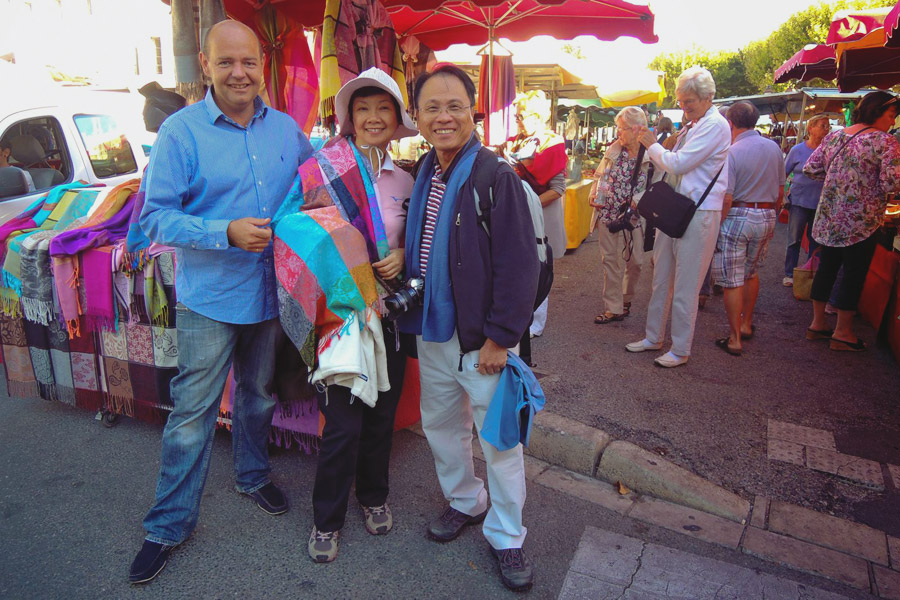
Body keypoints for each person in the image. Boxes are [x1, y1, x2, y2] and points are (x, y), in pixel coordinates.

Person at [129, 20, 313, 584]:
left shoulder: (287, 131)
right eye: (226, 62)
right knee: (192, 413)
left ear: (263, 66)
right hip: (210, 296)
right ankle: (167, 525)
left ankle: (252, 474)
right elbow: (153, 217)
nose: (240, 73)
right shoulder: (181, 134)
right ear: (206, 66)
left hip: (268, 295)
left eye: (249, 62)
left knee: (257, 394)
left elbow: (316, 190)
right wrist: (222, 231)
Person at [400, 64, 539, 591]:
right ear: (417, 116)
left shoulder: (493, 175)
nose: (443, 117)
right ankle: (465, 500)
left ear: (472, 110)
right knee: (442, 427)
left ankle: (507, 535)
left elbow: (518, 265)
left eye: (454, 105)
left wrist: (501, 337)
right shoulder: (424, 171)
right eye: (431, 107)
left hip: (480, 340)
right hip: (433, 331)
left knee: (498, 441)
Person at [297, 67, 418, 563]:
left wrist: (404, 255)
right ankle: (327, 520)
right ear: (347, 118)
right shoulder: (321, 170)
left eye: (382, 108)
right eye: (362, 108)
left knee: (380, 414)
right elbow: (298, 232)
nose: (372, 117)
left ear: (396, 119)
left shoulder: (408, 179)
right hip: (340, 318)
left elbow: (423, 244)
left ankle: (373, 496)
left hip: (390, 314)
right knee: (343, 421)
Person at [627, 66, 731, 368]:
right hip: (676, 208)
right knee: (661, 277)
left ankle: (681, 348)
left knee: (686, 284)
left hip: (698, 212)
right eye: (681, 101)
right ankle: (653, 336)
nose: (683, 107)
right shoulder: (695, 124)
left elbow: (678, 164)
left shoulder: (715, 126)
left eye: (689, 102)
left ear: (708, 97)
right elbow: (669, 161)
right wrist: (658, 146)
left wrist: (653, 144)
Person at [803, 90, 900, 351]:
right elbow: (892, 182)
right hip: (861, 221)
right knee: (853, 275)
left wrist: (838, 181)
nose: (892, 122)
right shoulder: (885, 141)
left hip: (829, 217)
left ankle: (817, 323)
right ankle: (843, 332)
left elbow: (810, 168)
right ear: (877, 112)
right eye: (891, 116)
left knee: (827, 269)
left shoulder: (835, 136)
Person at [711, 101, 785, 356]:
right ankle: (745, 324)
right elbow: (780, 191)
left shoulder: (731, 151)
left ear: (730, 123)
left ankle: (734, 338)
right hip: (765, 213)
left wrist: (717, 223)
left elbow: (727, 197)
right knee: (751, 273)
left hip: (738, 215)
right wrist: (771, 216)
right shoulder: (774, 148)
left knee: (732, 280)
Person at [503, 90, 567, 339]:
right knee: (519, 268)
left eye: (522, 115)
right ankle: (520, 316)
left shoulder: (553, 143)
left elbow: (558, 189)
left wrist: (527, 204)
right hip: (519, 216)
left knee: (540, 270)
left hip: (540, 217)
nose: (517, 119)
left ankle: (535, 324)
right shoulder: (517, 140)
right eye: (517, 115)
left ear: (537, 117)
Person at [589, 106, 658, 325]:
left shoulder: (653, 154)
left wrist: (636, 201)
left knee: (636, 261)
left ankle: (626, 299)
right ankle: (613, 307)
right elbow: (599, 176)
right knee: (610, 260)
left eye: (623, 129)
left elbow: (657, 187)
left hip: (634, 216)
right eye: (618, 128)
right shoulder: (613, 149)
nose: (619, 133)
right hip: (607, 211)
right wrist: (593, 195)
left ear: (637, 129)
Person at [782, 113, 829, 286]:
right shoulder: (797, 150)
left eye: (828, 126)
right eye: (822, 125)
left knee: (815, 240)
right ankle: (790, 273)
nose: (826, 129)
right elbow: (784, 173)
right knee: (794, 239)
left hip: (821, 203)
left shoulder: (828, 151)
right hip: (799, 201)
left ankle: (810, 274)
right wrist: (782, 195)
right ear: (811, 128)